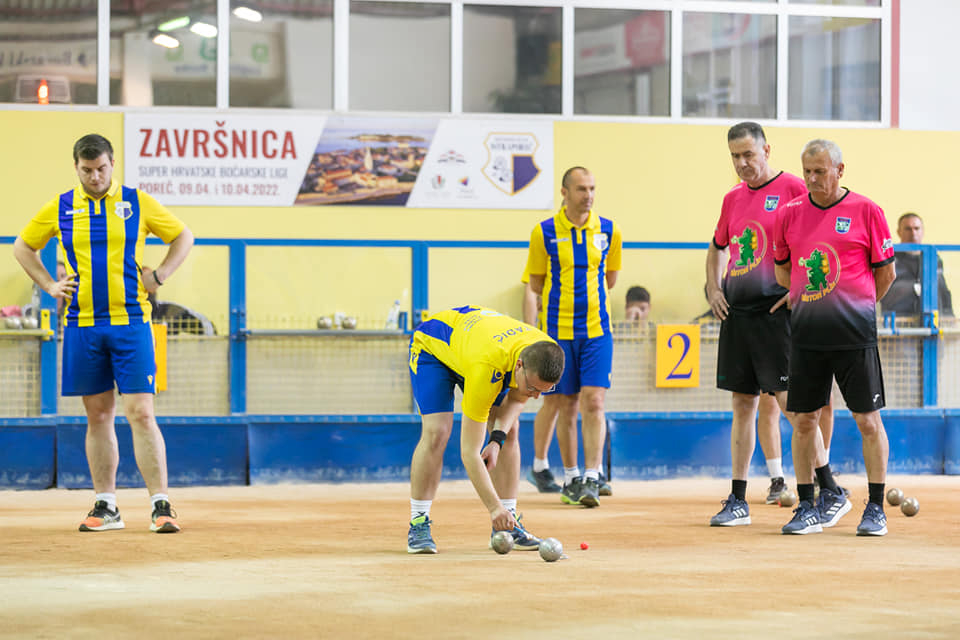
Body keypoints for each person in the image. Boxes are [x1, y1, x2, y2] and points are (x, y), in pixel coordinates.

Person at [13, 133, 194, 534]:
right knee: (98, 415)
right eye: (87, 170)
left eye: (101, 169)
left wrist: (160, 275)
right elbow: (22, 247)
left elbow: (184, 236)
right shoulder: (61, 206)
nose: (95, 177)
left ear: (112, 165)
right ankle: (106, 506)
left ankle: (161, 505)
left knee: (142, 413)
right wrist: (49, 285)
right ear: (76, 168)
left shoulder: (137, 202)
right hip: (83, 326)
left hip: (131, 323)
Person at [706, 122, 840, 529]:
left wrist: (801, 289)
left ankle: (828, 489)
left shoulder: (794, 189)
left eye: (748, 154)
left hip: (776, 315)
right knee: (742, 404)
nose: (742, 163)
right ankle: (738, 498)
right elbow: (717, 246)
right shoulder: (732, 198)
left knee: (793, 407)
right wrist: (713, 287)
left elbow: (818, 242)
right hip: (737, 315)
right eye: (735, 156)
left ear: (766, 150)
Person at [774, 138, 896, 536]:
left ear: (839, 171)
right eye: (807, 171)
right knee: (804, 421)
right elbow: (782, 270)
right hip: (806, 337)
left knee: (868, 421)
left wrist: (855, 305)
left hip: (854, 337)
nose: (812, 179)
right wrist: (810, 296)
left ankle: (875, 508)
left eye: (820, 171)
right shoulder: (789, 214)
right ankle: (806, 506)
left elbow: (886, 274)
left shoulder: (867, 211)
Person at [406, 305, 565, 554]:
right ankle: (418, 522)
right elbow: (470, 452)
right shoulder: (487, 366)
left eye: (542, 391)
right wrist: (493, 507)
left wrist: (497, 439)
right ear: (519, 365)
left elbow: (518, 398)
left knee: (510, 431)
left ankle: (509, 523)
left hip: (475, 346)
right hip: (434, 349)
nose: (535, 396)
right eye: (533, 388)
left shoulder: (546, 353)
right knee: (438, 432)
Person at [526, 166, 622, 507]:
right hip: (558, 333)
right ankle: (571, 477)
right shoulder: (544, 232)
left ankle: (592, 476)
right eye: (581, 189)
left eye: (592, 188)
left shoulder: (609, 230)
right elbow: (535, 284)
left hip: (597, 331)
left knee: (594, 401)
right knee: (564, 403)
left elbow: (610, 279)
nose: (589, 195)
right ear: (564, 193)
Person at [880, 212, 954, 318]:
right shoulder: (890, 259)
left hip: (929, 320)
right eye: (908, 229)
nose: (913, 233)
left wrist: (949, 317)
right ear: (899, 232)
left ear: (922, 231)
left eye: (917, 228)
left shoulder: (933, 259)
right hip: (897, 320)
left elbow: (942, 290)